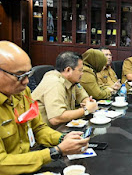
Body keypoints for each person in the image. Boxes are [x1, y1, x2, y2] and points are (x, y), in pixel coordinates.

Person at [0, 41, 89, 174]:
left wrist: (62, 139)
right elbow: (2, 164)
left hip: (31, 160)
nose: (26, 82)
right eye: (19, 76)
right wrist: (56, 151)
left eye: (28, 74)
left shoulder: (22, 93)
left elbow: (38, 128)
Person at [32, 52, 98, 128]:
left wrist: (88, 102)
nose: (82, 73)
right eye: (80, 70)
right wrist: (86, 110)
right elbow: (56, 118)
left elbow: (82, 96)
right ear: (68, 70)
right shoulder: (54, 83)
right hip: (45, 134)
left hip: (63, 127)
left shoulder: (72, 81)